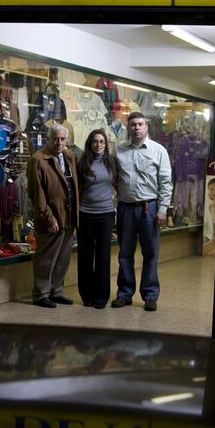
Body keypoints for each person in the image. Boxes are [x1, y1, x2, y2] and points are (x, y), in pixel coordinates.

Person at [111, 111, 172, 312]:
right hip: (126, 208)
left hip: (150, 208)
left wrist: (162, 210)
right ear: (128, 128)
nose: (136, 128)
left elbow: (165, 183)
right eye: (133, 125)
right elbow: (113, 180)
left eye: (140, 124)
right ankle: (124, 294)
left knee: (151, 253)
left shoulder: (159, 150)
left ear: (146, 127)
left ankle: (150, 295)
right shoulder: (118, 152)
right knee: (125, 253)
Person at [27, 123, 79, 308]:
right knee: (46, 259)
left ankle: (56, 292)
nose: (59, 142)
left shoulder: (69, 157)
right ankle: (41, 294)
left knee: (62, 259)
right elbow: (36, 194)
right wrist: (49, 218)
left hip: (68, 217)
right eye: (55, 138)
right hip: (51, 219)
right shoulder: (38, 160)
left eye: (62, 139)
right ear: (48, 139)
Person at [76, 129, 117, 309]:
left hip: (106, 214)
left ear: (106, 144)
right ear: (90, 144)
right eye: (95, 141)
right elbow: (76, 189)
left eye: (101, 141)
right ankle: (87, 295)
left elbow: (118, 184)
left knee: (103, 255)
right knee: (85, 255)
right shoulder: (82, 163)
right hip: (85, 214)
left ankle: (102, 295)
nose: (98, 144)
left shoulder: (112, 162)